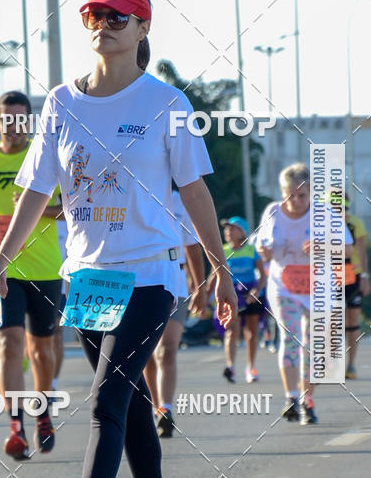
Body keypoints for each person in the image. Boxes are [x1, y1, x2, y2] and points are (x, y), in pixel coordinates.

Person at [0, 0, 238, 478]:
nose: (103, 25)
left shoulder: (168, 104)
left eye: (118, 17)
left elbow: (194, 192)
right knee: (132, 404)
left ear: (143, 28)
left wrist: (219, 269)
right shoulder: (61, 103)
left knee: (105, 399)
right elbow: (36, 192)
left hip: (151, 274)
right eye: (94, 15)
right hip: (88, 279)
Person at [0, 90, 63, 459]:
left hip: (44, 267)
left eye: (20, 118)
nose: (14, 125)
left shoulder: (46, 155)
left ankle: (43, 414)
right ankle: (16, 427)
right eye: (7, 118)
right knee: (8, 344)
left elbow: (70, 208)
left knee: (42, 350)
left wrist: (33, 210)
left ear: (30, 121)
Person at [256, 164, 352, 426]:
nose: (296, 201)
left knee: (312, 345)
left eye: (301, 195)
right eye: (290, 195)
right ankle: (291, 397)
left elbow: (347, 249)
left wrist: (323, 246)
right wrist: (265, 252)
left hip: (318, 287)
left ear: (311, 193)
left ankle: (307, 400)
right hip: (284, 285)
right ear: (282, 192)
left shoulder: (325, 213)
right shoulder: (273, 212)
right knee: (290, 338)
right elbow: (262, 246)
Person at [143, 188, 207, 438]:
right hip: (141, 278)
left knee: (167, 349)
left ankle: (166, 409)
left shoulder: (182, 200)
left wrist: (200, 287)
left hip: (174, 279)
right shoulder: (135, 194)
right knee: (147, 353)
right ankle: (155, 407)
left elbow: (192, 246)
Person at [216, 216, 267, 384]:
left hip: (251, 294)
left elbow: (263, 276)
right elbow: (214, 276)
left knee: (251, 332)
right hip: (232, 294)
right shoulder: (222, 251)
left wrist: (256, 291)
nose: (228, 231)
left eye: (232, 228)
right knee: (232, 329)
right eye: (226, 228)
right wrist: (204, 294)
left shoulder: (251, 250)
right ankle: (230, 367)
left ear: (242, 232)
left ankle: (251, 368)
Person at [343, 194, 370, 379]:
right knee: (332, 321)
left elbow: (361, 251)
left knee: (352, 322)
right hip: (329, 275)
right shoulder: (320, 222)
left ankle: (351, 365)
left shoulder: (355, 223)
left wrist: (365, 277)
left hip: (353, 274)